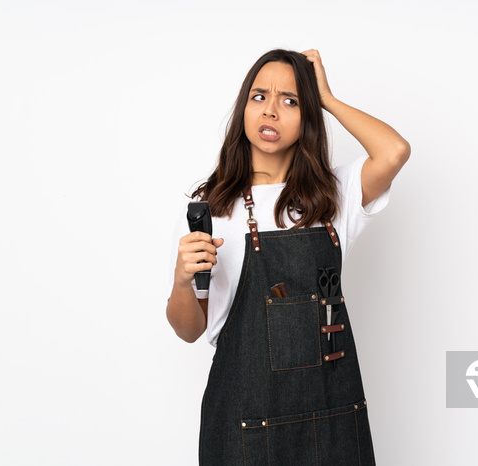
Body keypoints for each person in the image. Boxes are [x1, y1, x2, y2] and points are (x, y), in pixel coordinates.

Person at [166, 48, 409, 465]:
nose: (271, 111)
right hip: (246, 420)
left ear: (308, 115)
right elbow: (189, 330)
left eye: (291, 100)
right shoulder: (212, 212)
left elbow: (394, 151)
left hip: (331, 416)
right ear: (243, 108)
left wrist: (327, 98)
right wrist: (182, 279)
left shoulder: (333, 196)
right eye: (259, 97)